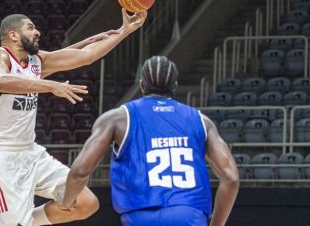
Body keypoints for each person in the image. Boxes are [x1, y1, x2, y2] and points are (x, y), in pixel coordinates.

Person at [0, 9, 146, 226]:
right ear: (13, 35)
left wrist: (125, 30)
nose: (37, 32)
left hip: (32, 152)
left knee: (86, 202)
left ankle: (11, 223)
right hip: (4, 157)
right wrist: (51, 86)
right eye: (30, 27)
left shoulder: (36, 61)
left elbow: (87, 56)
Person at [61, 56, 239, 226]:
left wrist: (67, 204)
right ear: (175, 86)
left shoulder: (117, 118)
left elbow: (80, 171)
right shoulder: (202, 121)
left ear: (141, 85)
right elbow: (231, 179)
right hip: (189, 215)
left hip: (141, 215)